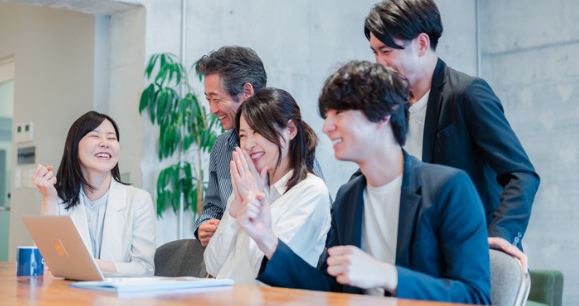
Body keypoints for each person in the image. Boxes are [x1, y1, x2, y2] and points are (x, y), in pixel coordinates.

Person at [235, 61, 490, 303]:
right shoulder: (349, 197)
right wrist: (266, 239)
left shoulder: (448, 189)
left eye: (340, 113)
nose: (327, 127)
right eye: (327, 115)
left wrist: (387, 275)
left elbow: (474, 296)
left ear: (383, 116)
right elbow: (328, 289)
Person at [364, 0, 540, 269]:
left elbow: (522, 174)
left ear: (421, 44)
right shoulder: (392, 105)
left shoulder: (467, 94)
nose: (379, 63)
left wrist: (499, 235)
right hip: (416, 254)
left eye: (386, 51)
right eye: (375, 52)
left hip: (467, 251)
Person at [194, 45, 326, 246]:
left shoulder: (291, 148)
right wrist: (205, 225)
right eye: (208, 100)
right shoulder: (221, 146)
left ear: (247, 91)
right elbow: (212, 206)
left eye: (216, 99)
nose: (212, 110)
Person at [203, 88, 330, 284]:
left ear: (291, 130)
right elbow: (212, 265)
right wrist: (234, 209)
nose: (248, 144)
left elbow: (264, 270)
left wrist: (251, 199)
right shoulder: (250, 186)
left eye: (257, 132)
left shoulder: (311, 191)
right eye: (243, 135)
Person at [32, 111, 155, 276]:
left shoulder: (139, 200)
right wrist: (48, 199)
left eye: (111, 138)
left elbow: (144, 269)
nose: (105, 143)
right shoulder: (58, 199)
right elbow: (41, 264)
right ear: (73, 146)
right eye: (95, 136)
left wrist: (88, 264)